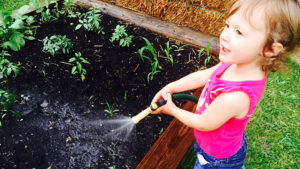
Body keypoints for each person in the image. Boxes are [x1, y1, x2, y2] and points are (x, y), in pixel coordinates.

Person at [151, 0, 299, 168]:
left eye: (239, 32)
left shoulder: (236, 96)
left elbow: (204, 123)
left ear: (270, 49)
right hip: (219, 142)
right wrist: (171, 87)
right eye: (228, 25)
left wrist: (172, 109)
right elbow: (205, 75)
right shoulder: (237, 62)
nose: (224, 35)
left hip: (218, 159)